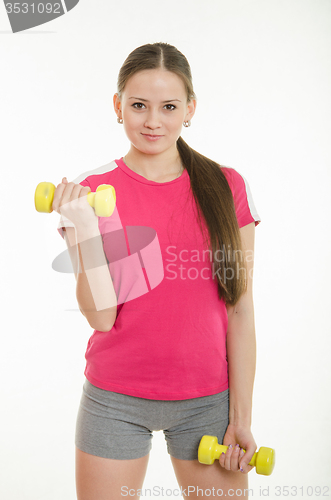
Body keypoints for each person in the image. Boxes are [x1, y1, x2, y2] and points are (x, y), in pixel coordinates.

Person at [53, 42, 261, 500]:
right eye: (139, 105)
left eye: (169, 107)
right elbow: (102, 318)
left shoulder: (226, 186)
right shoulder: (90, 192)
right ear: (118, 106)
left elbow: (241, 309)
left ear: (190, 109)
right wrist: (86, 228)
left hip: (208, 403)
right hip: (114, 400)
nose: (152, 121)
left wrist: (240, 420)